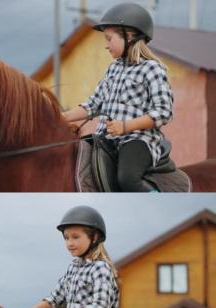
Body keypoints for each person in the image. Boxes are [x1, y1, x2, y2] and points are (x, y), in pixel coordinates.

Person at [61, 3, 173, 192]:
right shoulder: (113, 68)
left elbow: (164, 112)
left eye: (109, 38)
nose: (106, 45)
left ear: (129, 36)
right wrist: (60, 117)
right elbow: (93, 105)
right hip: (105, 139)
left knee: (127, 179)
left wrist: (125, 126)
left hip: (138, 140)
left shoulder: (152, 68)